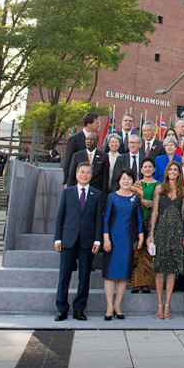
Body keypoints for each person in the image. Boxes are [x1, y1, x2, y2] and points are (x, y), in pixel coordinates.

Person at [54, 161, 102, 321]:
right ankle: (62, 308)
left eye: (88, 172)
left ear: (91, 175)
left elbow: (98, 220)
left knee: (84, 277)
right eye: (82, 172)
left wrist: (97, 240)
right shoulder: (67, 193)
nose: (84, 175)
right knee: (64, 276)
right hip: (68, 240)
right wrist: (57, 238)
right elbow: (60, 217)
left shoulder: (96, 194)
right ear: (76, 174)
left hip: (87, 242)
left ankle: (79, 309)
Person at [102, 168, 143, 319]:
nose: (126, 181)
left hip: (128, 239)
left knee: (123, 274)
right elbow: (106, 219)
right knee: (110, 274)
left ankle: (118, 306)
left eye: (129, 179)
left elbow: (138, 219)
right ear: (119, 181)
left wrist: (141, 237)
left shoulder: (135, 198)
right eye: (124, 179)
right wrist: (106, 239)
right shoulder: (112, 197)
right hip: (112, 240)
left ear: (133, 181)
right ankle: (108, 307)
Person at [147, 160, 184, 319]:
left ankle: (168, 305)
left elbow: (182, 215)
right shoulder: (159, 189)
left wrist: (183, 235)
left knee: (172, 271)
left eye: (175, 170)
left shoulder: (183, 191)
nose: (173, 172)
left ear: (179, 173)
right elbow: (154, 212)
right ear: (167, 172)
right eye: (170, 170)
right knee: (159, 271)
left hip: (176, 234)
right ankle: (159, 305)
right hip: (161, 232)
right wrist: (151, 234)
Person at [129, 157, 158, 293]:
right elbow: (129, 200)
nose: (147, 169)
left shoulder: (159, 185)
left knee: (148, 252)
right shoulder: (135, 185)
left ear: (154, 169)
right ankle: (136, 283)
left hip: (152, 222)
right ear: (141, 170)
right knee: (136, 252)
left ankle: (146, 283)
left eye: (150, 167)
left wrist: (154, 204)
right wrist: (141, 201)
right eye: (145, 167)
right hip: (137, 221)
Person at [66, 131, 109, 201]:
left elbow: (105, 179)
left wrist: (103, 198)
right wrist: (69, 194)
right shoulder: (77, 156)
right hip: (79, 192)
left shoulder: (103, 157)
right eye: (87, 139)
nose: (88, 141)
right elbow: (71, 176)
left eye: (91, 139)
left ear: (97, 141)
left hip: (96, 193)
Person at [62, 112, 100, 184]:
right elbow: (68, 161)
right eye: (97, 123)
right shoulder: (74, 139)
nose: (99, 125)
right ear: (89, 125)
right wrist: (66, 182)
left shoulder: (95, 138)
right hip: (77, 182)